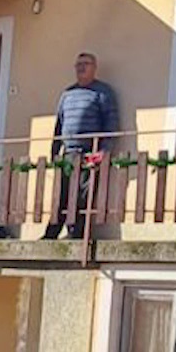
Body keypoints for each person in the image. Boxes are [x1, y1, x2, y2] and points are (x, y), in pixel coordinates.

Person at [44, 53, 122, 240]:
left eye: (85, 64)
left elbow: (111, 123)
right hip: (68, 153)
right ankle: (51, 234)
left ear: (94, 68)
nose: (81, 68)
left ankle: (76, 233)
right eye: (78, 64)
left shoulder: (102, 93)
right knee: (61, 195)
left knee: (82, 197)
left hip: (89, 153)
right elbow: (59, 124)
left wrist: (104, 151)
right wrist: (54, 151)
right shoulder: (67, 94)